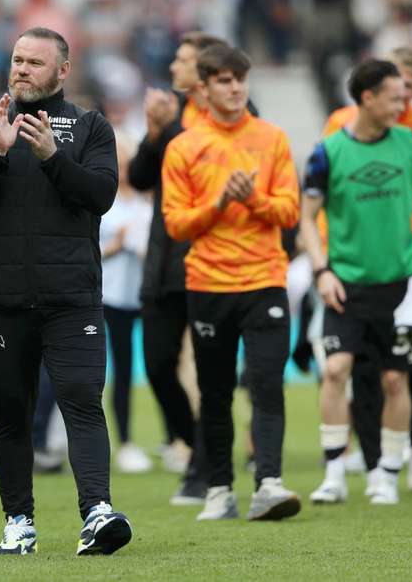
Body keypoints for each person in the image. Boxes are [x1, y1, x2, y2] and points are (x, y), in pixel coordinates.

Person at [0, 27, 132, 556]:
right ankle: (17, 522)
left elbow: (101, 195)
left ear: (62, 71)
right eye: (17, 60)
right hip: (4, 299)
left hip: (72, 297)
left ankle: (96, 512)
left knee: (81, 403)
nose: (22, 69)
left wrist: (52, 157)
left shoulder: (91, 127)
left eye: (34, 62)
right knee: (9, 411)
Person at [162, 45, 301, 522]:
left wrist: (255, 200)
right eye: (223, 80)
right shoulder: (183, 147)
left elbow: (290, 211)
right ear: (204, 87)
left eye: (240, 78)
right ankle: (220, 488)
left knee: (266, 384)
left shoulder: (273, 138)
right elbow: (176, 224)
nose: (235, 87)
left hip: (265, 280)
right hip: (208, 284)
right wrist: (220, 202)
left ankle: (269, 483)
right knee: (216, 391)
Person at [303, 59, 412, 506]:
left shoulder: (411, 144)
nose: (404, 104)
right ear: (367, 98)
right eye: (395, 96)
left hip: (401, 285)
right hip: (346, 283)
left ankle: (386, 473)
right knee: (335, 369)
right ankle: (333, 473)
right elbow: (306, 220)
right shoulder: (328, 152)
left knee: (395, 381)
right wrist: (322, 271)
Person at [128, 31, 236, 504]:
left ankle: (201, 469)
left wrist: (167, 130)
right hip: (164, 260)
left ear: (206, 70)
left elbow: (205, 159)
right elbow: (138, 178)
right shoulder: (169, 113)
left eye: (183, 59)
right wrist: (154, 135)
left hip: (212, 258)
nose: (174, 66)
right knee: (156, 364)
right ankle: (200, 448)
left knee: (211, 372)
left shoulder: (225, 117)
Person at [100, 133, 152, 473]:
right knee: (100, 371)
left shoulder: (143, 206)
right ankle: (121, 441)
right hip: (108, 295)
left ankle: (135, 441)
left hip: (139, 295)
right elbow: (89, 252)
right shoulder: (103, 202)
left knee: (131, 370)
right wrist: (116, 247)